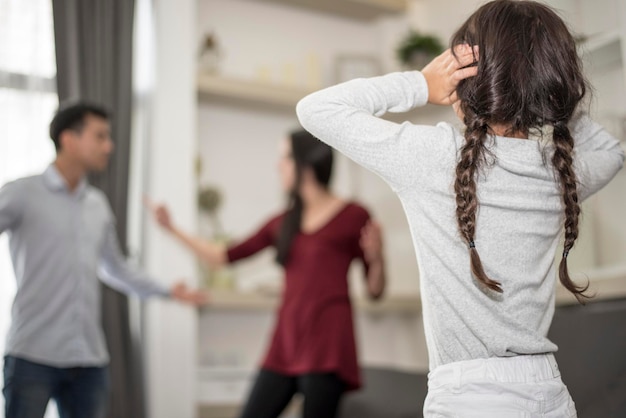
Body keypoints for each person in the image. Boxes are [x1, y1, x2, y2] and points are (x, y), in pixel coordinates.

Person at [296, 1, 625, 416]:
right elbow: (611, 151)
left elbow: (315, 110)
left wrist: (421, 83)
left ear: (473, 75)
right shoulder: (556, 172)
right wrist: (549, 87)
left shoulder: (434, 157)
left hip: (469, 399)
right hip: (549, 395)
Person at [147, 129, 386, 418]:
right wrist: (172, 228)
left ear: (306, 163)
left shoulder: (354, 215)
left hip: (328, 345)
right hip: (285, 342)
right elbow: (223, 256)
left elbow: (375, 290)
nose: (278, 166)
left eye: (284, 158)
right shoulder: (284, 222)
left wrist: (377, 258)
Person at [0, 102, 207, 418]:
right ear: (68, 139)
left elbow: (115, 268)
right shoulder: (22, 193)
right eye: (100, 136)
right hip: (32, 356)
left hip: (89, 362)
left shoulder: (97, 204)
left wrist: (168, 291)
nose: (109, 146)